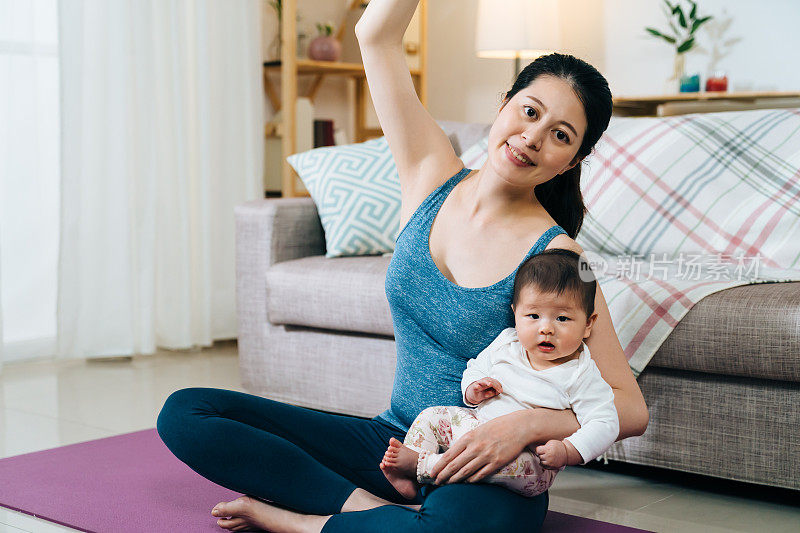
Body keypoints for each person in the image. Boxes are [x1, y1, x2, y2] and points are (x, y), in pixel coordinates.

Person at [155, 0, 649, 531]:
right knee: (186, 414)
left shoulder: (560, 259)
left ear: (571, 160)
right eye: (529, 111)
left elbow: (630, 407)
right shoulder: (430, 172)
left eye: (560, 134)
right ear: (503, 103)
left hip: (483, 461)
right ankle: (364, 510)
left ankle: (297, 522)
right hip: (392, 446)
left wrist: (527, 425)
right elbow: (376, 34)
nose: (533, 137)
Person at [379, 249, 619, 500]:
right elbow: (476, 367)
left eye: (562, 318)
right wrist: (474, 388)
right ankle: (410, 477)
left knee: (508, 466)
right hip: (477, 427)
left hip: (530, 462)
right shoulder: (507, 343)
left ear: (588, 324)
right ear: (515, 312)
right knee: (431, 416)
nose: (546, 328)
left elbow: (605, 423)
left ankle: (421, 467)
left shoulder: (580, 373)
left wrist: (568, 450)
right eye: (533, 316)